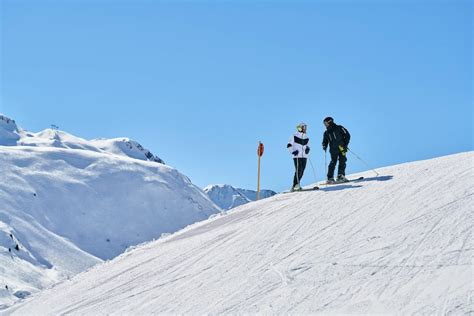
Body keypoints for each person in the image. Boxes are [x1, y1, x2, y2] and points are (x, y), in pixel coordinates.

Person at [322, 117, 351, 183]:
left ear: (330, 122)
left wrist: (345, 144)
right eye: (324, 124)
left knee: (342, 160)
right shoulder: (326, 132)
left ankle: (340, 176)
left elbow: (347, 135)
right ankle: (330, 178)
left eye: (326, 123)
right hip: (333, 149)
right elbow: (325, 141)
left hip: (342, 147)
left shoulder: (339, 128)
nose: (325, 125)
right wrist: (324, 145)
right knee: (333, 162)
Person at [287, 122, 310, 191]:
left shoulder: (306, 137)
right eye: (304, 127)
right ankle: (294, 185)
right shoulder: (294, 136)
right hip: (297, 156)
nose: (305, 129)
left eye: (306, 127)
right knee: (299, 169)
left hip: (304, 156)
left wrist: (308, 149)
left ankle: (297, 184)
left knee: (302, 170)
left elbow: (308, 146)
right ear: (300, 128)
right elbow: (289, 145)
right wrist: (293, 151)